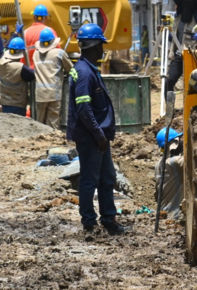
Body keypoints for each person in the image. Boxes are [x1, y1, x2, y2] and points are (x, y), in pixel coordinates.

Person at [68, 23, 125, 235]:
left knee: (107, 177)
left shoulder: (88, 70)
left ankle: (109, 219)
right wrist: (99, 135)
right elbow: (83, 108)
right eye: (101, 44)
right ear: (94, 46)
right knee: (90, 179)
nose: (103, 49)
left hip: (97, 136)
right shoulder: (84, 73)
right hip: (92, 136)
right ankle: (89, 223)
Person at [32, 27, 70, 126]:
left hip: (40, 94)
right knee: (52, 124)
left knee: (40, 124)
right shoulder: (59, 53)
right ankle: (51, 141)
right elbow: (70, 69)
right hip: (54, 94)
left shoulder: (35, 54)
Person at [0, 36, 32, 115]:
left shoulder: (1, 61)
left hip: (5, 103)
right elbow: (32, 75)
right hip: (17, 105)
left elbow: (5, 48)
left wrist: (14, 34)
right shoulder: (20, 68)